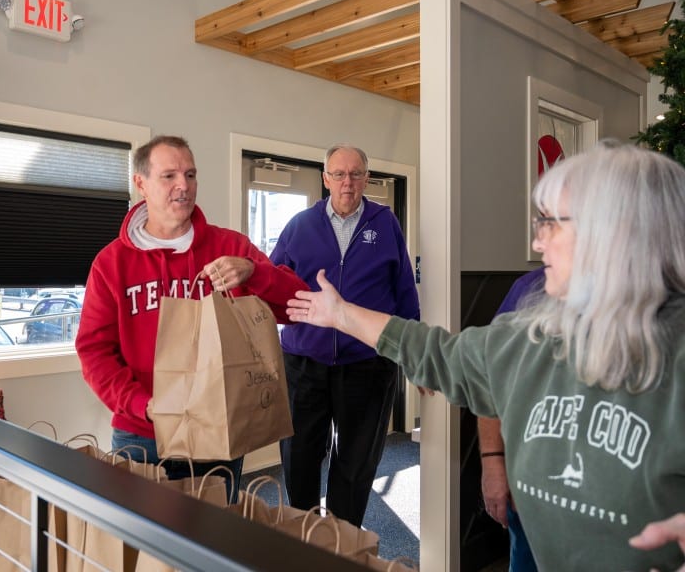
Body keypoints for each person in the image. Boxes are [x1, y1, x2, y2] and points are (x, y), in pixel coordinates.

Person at [285, 141, 685, 570]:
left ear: (617, 231)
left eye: (552, 223)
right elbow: (440, 353)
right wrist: (340, 314)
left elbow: (404, 295)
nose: (537, 239)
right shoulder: (526, 333)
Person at [75, 135, 308, 501]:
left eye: (190, 174)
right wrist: (143, 406)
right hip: (141, 435)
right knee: (141, 549)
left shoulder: (229, 247)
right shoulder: (111, 263)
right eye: (169, 176)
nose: (183, 186)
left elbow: (298, 303)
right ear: (141, 184)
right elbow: (94, 352)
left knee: (213, 543)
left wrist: (253, 272)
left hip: (217, 432)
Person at [269, 143, 420, 527]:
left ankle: (341, 545)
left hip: (368, 364)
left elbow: (404, 292)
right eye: (338, 174)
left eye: (355, 174)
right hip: (304, 363)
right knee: (299, 458)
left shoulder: (385, 224)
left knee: (355, 464)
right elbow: (271, 284)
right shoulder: (299, 226)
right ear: (326, 179)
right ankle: (300, 541)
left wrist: (414, 355)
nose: (347, 182)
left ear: (367, 179)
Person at [478, 267, 545, 572]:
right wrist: (493, 464)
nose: (538, 241)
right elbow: (491, 377)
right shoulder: (529, 288)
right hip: (531, 483)